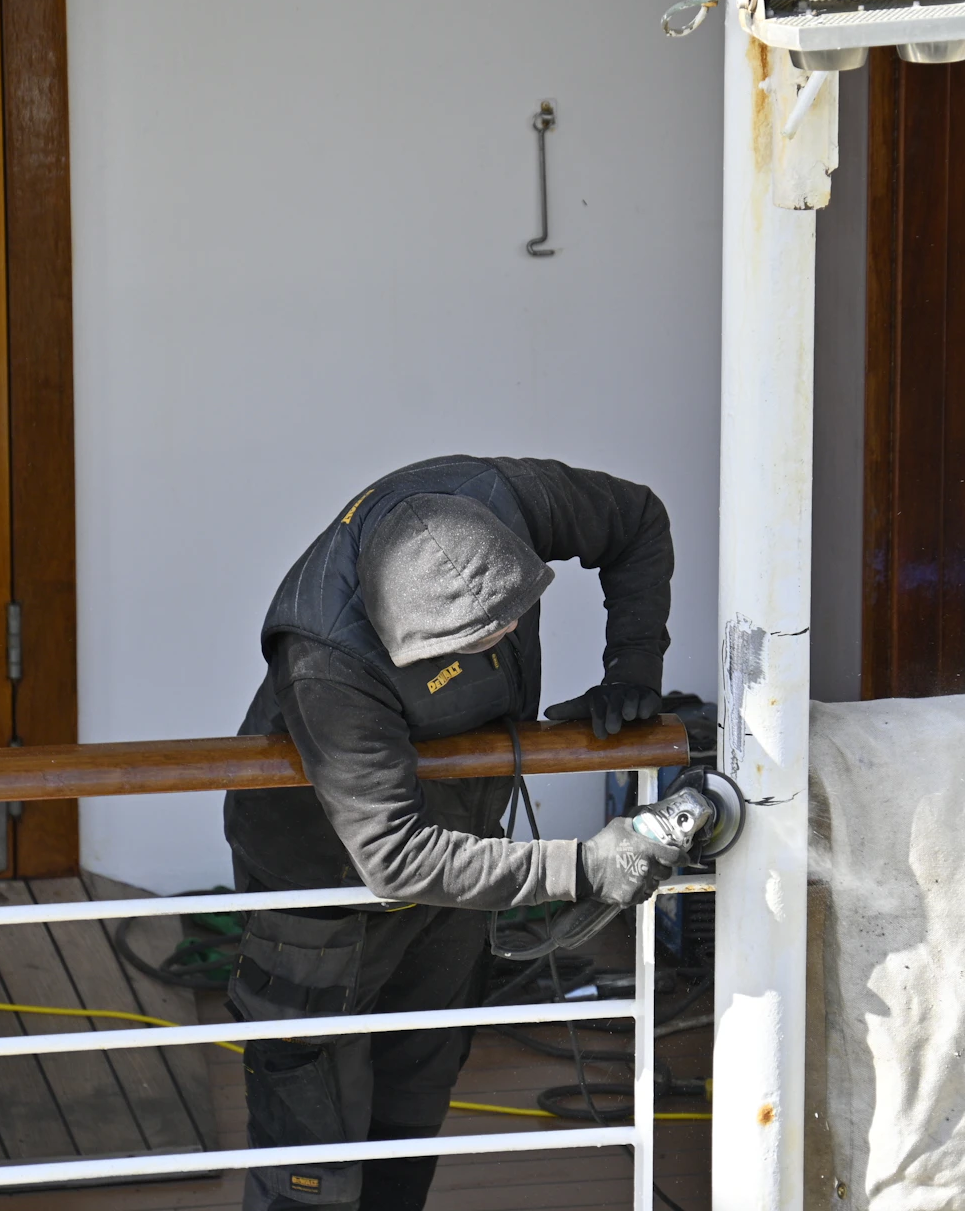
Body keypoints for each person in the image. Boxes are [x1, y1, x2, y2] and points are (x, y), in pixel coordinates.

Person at [225, 455, 685, 1211]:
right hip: (326, 885)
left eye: (515, 611)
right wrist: (583, 867)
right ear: (411, 635)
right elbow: (393, 857)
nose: (510, 633)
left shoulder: (502, 499)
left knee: (418, 1086)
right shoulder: (327, 659)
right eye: (484, 636)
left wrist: (633, 667)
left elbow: (637, 520)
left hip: (462, 856)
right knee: (310, 1128)